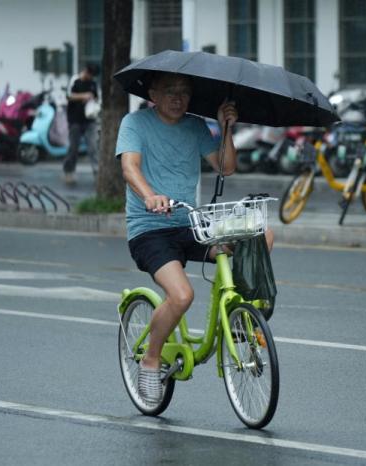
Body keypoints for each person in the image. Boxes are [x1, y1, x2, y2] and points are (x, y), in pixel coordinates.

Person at [115, 72, 273, 405]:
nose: (178, 97)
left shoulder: (195, 126)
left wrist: (226, 128)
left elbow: (226, 167)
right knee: (182, 295)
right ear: (153, 93)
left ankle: (240, 312)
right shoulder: (135, 124)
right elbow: (130, 168)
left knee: (260, 235)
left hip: (190, 225)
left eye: (185, 92)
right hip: (150, 228)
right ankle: (151, 359)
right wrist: (149, 195)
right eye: (170, 91)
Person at [63, 63, 100, 185]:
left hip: (90, 120)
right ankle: (69, 172)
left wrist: (91, 99)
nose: (90, 77)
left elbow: (96, 98)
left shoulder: (93, 84)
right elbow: (68, 96)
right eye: (90, 74)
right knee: (73, 148)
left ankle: (97, 173)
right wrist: (83, 96)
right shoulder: (75, 80)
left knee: (93, 147)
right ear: (85, 71)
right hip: (75, 120)